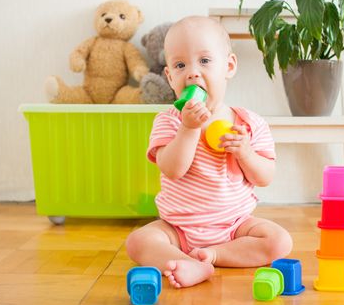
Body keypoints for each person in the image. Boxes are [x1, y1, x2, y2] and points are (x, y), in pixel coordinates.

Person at [125, 16, 292, 288]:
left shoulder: (248, 123)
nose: (192, 72)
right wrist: (189, 129)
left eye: (204, 61)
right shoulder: (169, 121)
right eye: (180, 65)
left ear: (228, 66)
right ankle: (189, 262)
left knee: (280, 241)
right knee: (138, 242)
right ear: (169, 76)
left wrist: (246, 153)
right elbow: (172, 169)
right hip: (178, 230)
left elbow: (265, 176)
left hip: (235, 228)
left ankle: (212, 256)